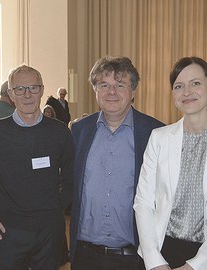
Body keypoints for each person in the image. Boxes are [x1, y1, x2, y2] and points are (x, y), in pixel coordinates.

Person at [133, 57, 207, 270]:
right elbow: (143, 202)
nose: (187, 92)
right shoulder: (159, 138)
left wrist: (196, 266)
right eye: (179, 86)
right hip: (162, 249)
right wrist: (154, 261)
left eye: (196, 83)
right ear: (173, 95)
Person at [69, 56, 164, 270]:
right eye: (104, 85)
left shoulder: (154, 133)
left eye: (120, 85)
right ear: (95, 90)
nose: (112, 92)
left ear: (133, 92)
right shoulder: (79, 131)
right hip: (85, 256)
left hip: (134, 257)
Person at [0, 64, 74, 270]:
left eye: (33, 88)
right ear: (11, 94)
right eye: (20, 89)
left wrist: (57, 205)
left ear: (41, 90)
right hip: (6, 231)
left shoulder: (60, 133)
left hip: (48, 232)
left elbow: (71, 176)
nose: (27, 95)